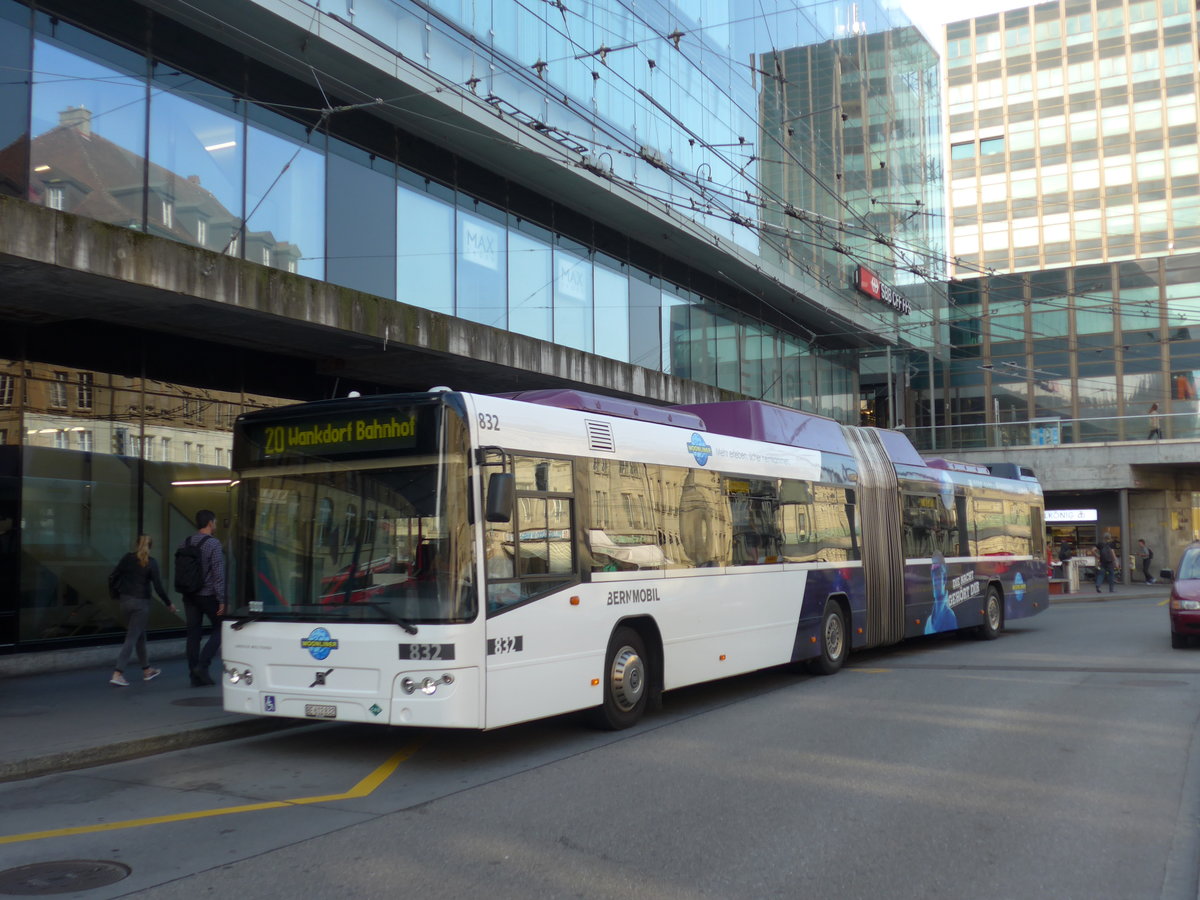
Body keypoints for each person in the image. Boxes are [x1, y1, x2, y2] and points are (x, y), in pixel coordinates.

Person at [109, 535, 176, 686]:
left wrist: (116, 594)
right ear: (151, 546)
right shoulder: (151, 563)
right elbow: (158, 586)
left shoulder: (127, 558)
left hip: (125, 601)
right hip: (141, 603)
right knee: (132, 637)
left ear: (136, 544)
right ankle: (118, 673)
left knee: (139, 635)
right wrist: (168, 603)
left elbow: (114, 575)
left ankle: (147, 670)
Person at [178, 509, 226, 686]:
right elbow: (218, 573)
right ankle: (202, 666)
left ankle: (194, 675)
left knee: (193, 634)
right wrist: (222, 599)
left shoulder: (185, 542)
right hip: (207, 595)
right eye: (215, 522)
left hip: (189, 594)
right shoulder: (214, 543)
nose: (216, 525)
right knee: (221, 628)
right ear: (210, 523)